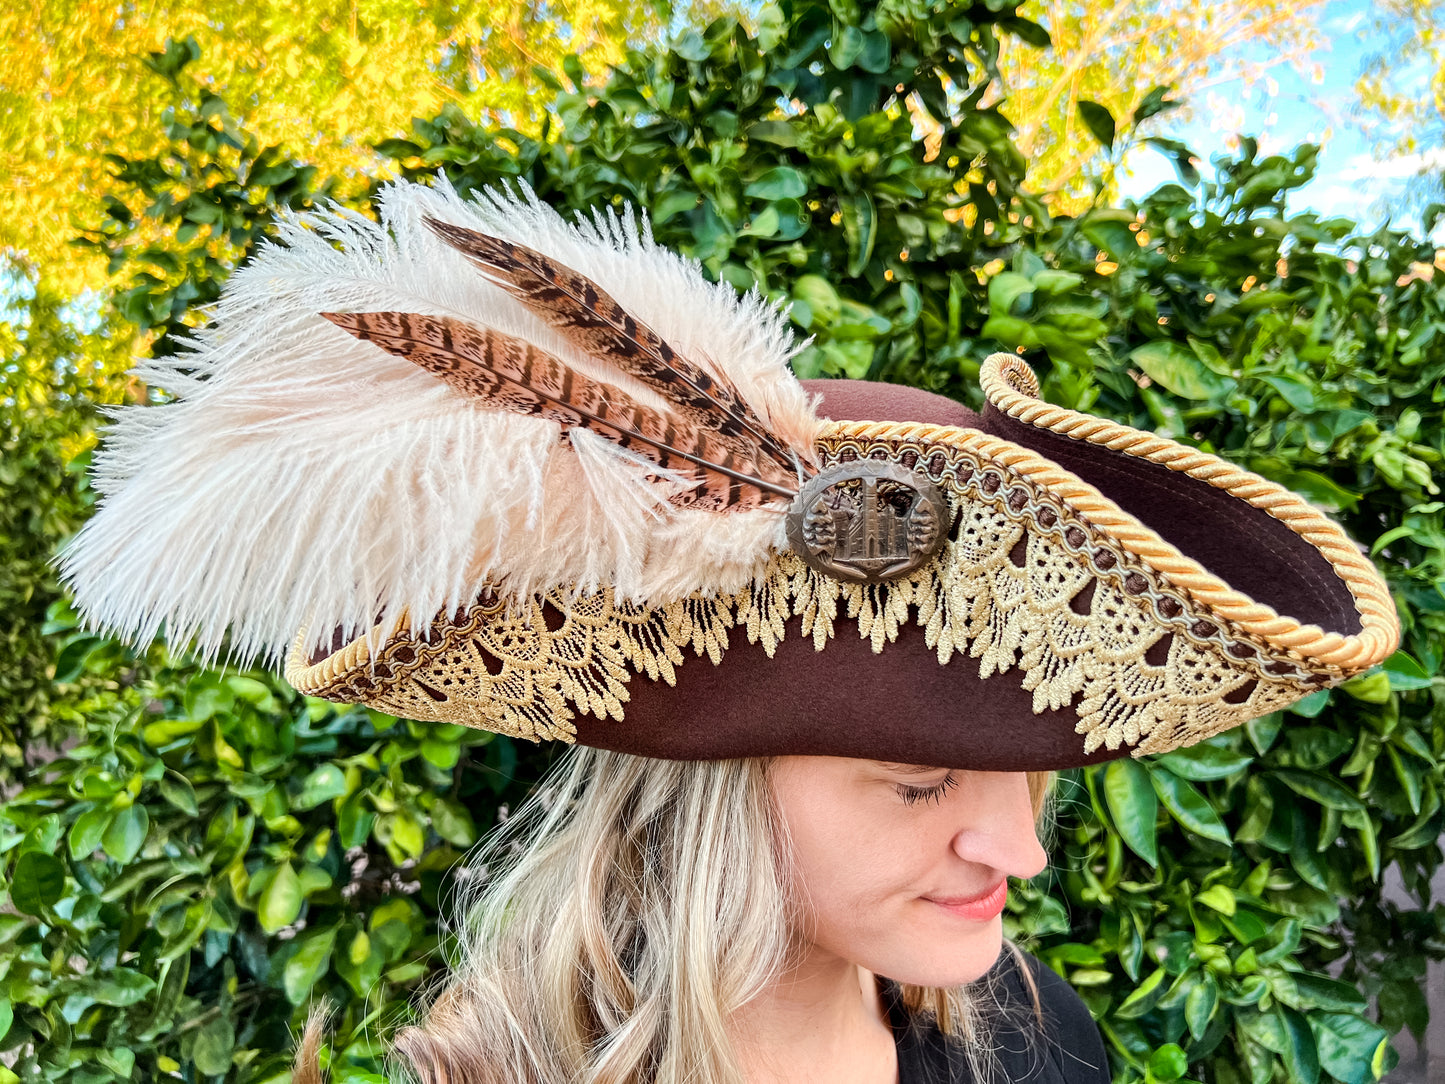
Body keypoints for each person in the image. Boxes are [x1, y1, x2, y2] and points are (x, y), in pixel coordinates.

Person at [62, 179, 1399, 1084]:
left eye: (1025, 772)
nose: (1020, 850)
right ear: (711, 789)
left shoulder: (1037, 1045)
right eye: (918, 780)